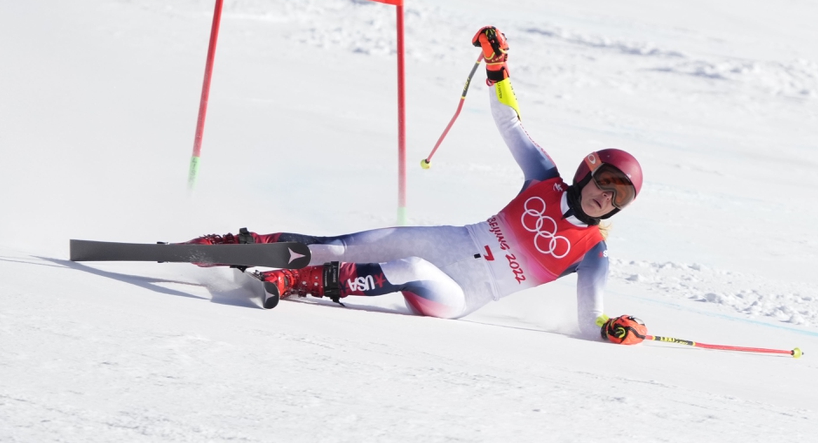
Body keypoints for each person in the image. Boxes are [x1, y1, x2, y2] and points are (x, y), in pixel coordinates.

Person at [191, 26, 649, 344]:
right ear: (587, 172)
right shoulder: (545, 180)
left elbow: (591, 320)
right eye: (605, 183)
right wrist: (497, 66)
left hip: (459, 296)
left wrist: (615, 329)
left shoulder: (592, 251)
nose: (605, 197)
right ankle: (238, 245)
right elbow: (509, 122)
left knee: (407, 265)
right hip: (452, 241)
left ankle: (297, 280)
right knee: (348, 244)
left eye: (618, 197)